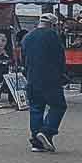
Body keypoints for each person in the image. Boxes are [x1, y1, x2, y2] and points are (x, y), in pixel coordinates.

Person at [20, 12, 68, 152]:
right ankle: (47, 131)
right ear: (52, 25)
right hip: (50, 78)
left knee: (36, 109)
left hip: (32, 78)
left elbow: (24, 59)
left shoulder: (27, 37)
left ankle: (37, 142)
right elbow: (60, 58)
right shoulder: (52, 36)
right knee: (59, 106)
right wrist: (63, 74)